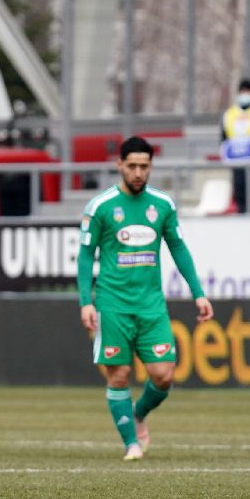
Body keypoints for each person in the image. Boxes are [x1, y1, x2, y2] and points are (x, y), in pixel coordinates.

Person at [77, 136, 213, 461]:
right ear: (119, 165)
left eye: (145, 166)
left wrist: (199, 294)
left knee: (164, 375)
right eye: (133, 166)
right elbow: (85, 256)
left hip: (151, 304)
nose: (139, 172)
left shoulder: (162, 205)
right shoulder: (101, 207)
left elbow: (178, 248)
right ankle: (131, 444)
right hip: (112, 303)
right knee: (119, 374)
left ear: (151, 167)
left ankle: (138, 414)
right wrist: (85, 301)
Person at [221, 78, 250, 214]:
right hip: (238, 162)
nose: (245, 94)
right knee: (240, 195)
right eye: (243, 91)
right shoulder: (230, 114)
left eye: (248, 91)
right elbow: (224, 138)